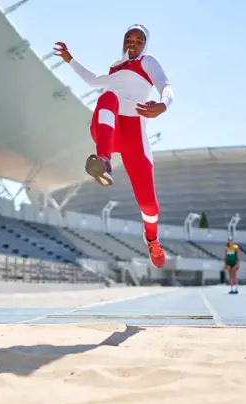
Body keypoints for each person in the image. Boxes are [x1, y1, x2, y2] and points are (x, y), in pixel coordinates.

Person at [54, 24, 174, 268]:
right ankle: (104, 161)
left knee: (148, 204)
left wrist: (163, 104)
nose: (133, 43)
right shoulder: (115, 68)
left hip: (134, 134)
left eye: (139, 40)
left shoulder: (147, 62)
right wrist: (70, 60)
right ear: (123, 42)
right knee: (106, 97)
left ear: (145, 45)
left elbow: (166, 85)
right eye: (129, 39)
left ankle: (152, 239)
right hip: (110, 127)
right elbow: (92, 81)